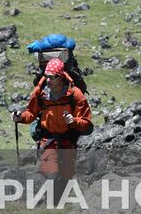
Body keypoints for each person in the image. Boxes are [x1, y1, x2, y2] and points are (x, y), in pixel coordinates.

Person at [15, 59, 92, 191]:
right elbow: (31, 113)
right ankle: (48, 207)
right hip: (48, 141)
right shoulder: (40, 92)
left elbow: (87, 124)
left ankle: (58, 210)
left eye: (51, 77)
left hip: (68, 142)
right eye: (46, 76)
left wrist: (74, 121)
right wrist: (20, 117)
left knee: (66, 179)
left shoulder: (75, 94)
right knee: (52, 176)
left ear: (60, 77)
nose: (48, 80)